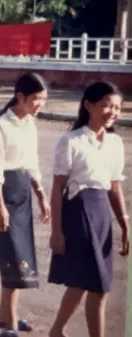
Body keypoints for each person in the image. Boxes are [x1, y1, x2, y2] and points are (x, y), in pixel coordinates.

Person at [47, 82, 129, 337]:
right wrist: (56, 231)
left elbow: (114, 186)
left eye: (116, 107)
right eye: (105, 105)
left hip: (102, 213)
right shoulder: (71, 141)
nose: (111, 111)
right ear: (88, 105)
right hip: (79, 212)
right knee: (99, 286)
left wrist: (125, 225)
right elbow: (57, 189)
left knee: (86, 282)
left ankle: (57, 330)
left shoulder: (115, 143)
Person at [0, 74, 51, 337]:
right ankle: (11, 323)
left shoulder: (29, 124)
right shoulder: (1, 125)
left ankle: (4, 314)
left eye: (43, 100)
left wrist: (41, 194)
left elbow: (32, 163)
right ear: (21, 97)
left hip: (23, 191)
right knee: (12, 256)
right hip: (4, 193)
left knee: (21, 255)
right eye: (35, 99)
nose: (39, 104)